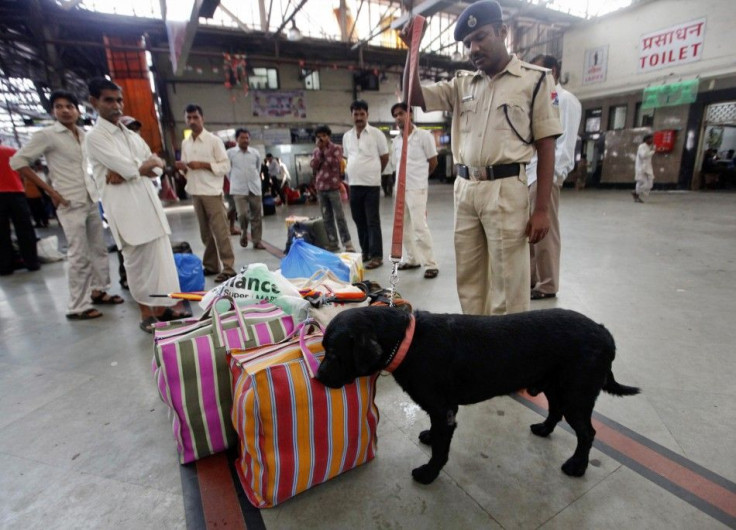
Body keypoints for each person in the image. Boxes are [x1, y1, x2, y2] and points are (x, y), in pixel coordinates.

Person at [401, 0, 562, 315]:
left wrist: (541, 209)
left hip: (506, 189)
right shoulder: (462, 84)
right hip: (465, 189)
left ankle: (509, 353)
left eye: (481, 37)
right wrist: (412, 51)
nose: (473, 48)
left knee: (509, 280)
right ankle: (478, 348)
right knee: (470, 279)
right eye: (467, 43)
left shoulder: (535, 80)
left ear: (502, 32)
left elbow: (546, 146)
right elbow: (414, 96)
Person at [10, 89, 124, 320]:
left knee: (99, 249)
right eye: (59, 106)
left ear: (77, 110)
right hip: (68, 201)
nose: (65, 110)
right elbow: (18, 162)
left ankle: (99, 291)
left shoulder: (84, 135)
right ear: (53, 111)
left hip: (91, 198)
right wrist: (50, 191)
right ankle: (77, 305)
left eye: (69, 106)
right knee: (78, 254)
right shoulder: (47, 135)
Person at [84, 77, 186, 333]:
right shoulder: (95, 137)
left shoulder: (130, 136)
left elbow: (157, 165)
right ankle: (146, 314)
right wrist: (140, 168)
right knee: (137, 265)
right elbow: (132, 167)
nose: (116, 105)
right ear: (94, 102)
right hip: (126, 211)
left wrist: (144, 167)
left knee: (161, 263)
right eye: (109, 100)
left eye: (119, 100)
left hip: (149, 206)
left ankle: (163, 309)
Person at [526, 55, 582, 301]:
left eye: (539, 70)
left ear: (553, 71)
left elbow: (565, 145)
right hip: (529, 174)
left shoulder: (565, 100)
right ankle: (530, 279)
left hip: (545, 175)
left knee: (546, 230)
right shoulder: (540, 100)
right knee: (529, 230)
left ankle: (548, 284)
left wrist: (553, 178)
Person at [176, 104, 235, 283]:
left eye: (195, 117)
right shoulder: (186, 143)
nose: (192, 121)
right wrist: (183, 168)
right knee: (205, 233)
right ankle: (211, 265)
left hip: (211, 192)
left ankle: (229, 267)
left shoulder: (213, 141)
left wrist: (203, 164)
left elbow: (225, 166)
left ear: (202, 118)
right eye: (189, 118)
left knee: (221, 231)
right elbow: (187, 169)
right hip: (195, 191)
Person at [390, 102, 440, 279]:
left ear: (410, 114)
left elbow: (433, 162)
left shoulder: (424, 136)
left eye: (401, 113)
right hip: (400, 190)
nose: (398, 117)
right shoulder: (396, 141)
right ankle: (412, 259)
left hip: (417, 188)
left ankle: (431, 263)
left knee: (419, 226)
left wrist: (421, 178)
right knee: (402, 227)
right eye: (395, 115)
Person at [342, 99, 389, 269]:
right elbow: (348, 158)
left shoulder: (377, 134)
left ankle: (377, 256)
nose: (359, 117)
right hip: (354, 185)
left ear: (367, 115)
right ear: (352, 116)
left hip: (371, 186)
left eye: (362, 114)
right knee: (359, 220)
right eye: (356, 114)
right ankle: (366, 252)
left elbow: (384, 157)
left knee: (372, 221)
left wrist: (375, 172)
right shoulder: (347, 136)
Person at [310, 124, 355, 252]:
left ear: (328, 136)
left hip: (334, 188)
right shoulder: (316, 151)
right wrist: (319, 152)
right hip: (321, 188)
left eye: (324, 136)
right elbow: (313, 165)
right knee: (326, 217)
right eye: (319, 137)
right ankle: (333, 242)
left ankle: (348, 243)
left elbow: (335, 164)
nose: (321, 139)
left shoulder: (336, 148)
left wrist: (324, 151)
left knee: (339, 216)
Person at [0, 141, 40, 275]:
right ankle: (32, 262)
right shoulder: (12, 151)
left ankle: (5, 266)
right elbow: (24, 171)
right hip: (16, 193)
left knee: (2, 233)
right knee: (25, 229)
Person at [226, 128, 265, 249]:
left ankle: (256, 241)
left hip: (254, 187)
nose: (245, 140)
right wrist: (235, 181)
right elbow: (227, 171)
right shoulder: (230, 153)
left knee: (256, 216)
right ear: (237, 139)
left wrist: (254, 181)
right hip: (238, 189)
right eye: (242, 138)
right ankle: (243, 231)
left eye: (247, 138)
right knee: (242, 214)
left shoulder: (255, 153)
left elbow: (258, 169)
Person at [633, 134, 655, 202]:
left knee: (650, 183)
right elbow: (643, 155)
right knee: (641, 182)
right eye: (650, 139)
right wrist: (653, 151)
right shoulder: (642, 146)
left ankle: (636, 193)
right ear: (646, 139)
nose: (652, 140)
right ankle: (636, 196)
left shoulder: (648, 147)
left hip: (647, 168)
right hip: (641, 167)